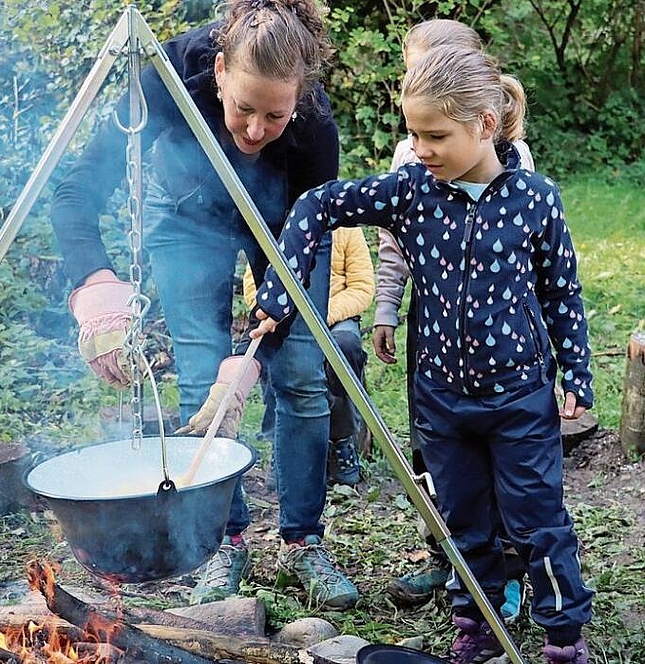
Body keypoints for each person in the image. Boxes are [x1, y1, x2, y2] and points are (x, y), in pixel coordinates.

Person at [251, 45, 595, 664]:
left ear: (484, 125)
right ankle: (480, 622)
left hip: (520, 397)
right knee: (460, 522)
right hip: (439, 398)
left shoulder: (535, 198)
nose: (420, 148)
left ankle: (563, 638)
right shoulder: (411, 191)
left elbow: (561, 292)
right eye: (412, 133)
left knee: (537, 522)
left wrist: (577, 373)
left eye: (435, 135)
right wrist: (281, 292)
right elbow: (314, 206)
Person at [50, 0, 359, 611]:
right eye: (244, 108)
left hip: (287, 231)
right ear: (218, 71)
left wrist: (258, 347)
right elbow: (77, 189)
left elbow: (302, 244)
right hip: (186, 217)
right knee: (200, 381)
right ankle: (223, 540)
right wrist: (95, 283)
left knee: (299, 377)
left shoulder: (314, 127)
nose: (253, 130)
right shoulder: (163, 81)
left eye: (275, 115)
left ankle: (302, 542)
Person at [373, 18, 534, 621]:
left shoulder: (511, 158)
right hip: (433, 333)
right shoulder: (410, 155)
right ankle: (450, 556)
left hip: (499, 347)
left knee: (501, 460)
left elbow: (529, 254)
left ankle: (510, 566)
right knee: (436, 450)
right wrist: (388, 306)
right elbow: (395, 245)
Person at [243, 226, 375, 485]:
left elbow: (361, 287)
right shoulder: (273, 225)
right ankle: (281, 445)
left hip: (334, 317)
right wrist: (287, 316)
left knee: (345, 345)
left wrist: (317, 320)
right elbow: (253, 286)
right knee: (274, 349)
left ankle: (341, 440)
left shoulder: (347, 228)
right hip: (284, 316)